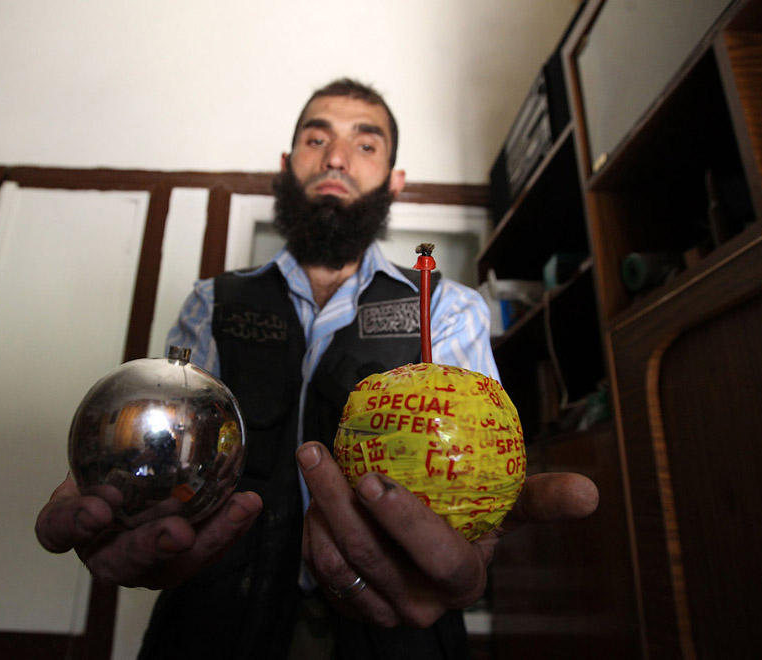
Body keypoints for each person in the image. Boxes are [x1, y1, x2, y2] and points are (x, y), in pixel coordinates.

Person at [36, 78, 599, 660]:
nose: (336, 157)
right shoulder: (212, 303)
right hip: (216, 625)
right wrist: (133, 490)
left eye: (366, 144)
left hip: (399, 639)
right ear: (286, 166)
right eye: (316, 138)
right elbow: (171, 455)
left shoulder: (450, 309)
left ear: (394, 181)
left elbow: (478, 481)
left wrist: (478, 542)